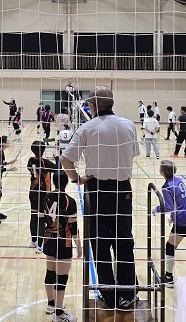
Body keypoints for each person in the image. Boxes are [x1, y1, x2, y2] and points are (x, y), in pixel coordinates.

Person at [61, 85, 140, 310]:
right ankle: (127, 294)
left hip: (96, 191)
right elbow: (133, 154)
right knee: (124, 241)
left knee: (100, 243)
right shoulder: (129, 125)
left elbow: (66, 160)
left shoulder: (87, 128)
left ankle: (107, 294)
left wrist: (76, 179)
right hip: (123, 191)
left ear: (92, 106)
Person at [41, 170, 82, 322]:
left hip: (48, 239)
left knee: (50, 273)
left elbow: (43, 217)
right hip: (63, 242)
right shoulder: (69, 201)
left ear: (53, 182)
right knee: (61, 278)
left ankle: (51, 304)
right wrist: (79, 245)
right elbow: (73, 226)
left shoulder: (46, 197)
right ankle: (58, 313)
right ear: (67, 182)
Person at [27, 141, 58, 251]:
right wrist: (57, 157)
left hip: (32, 192)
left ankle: (33, 241)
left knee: (33, 217)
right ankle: (40, 246)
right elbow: (58, 169)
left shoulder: (30, 161)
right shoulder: (45, 162)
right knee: (41, 219)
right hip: (43, 194)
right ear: (43, 150)